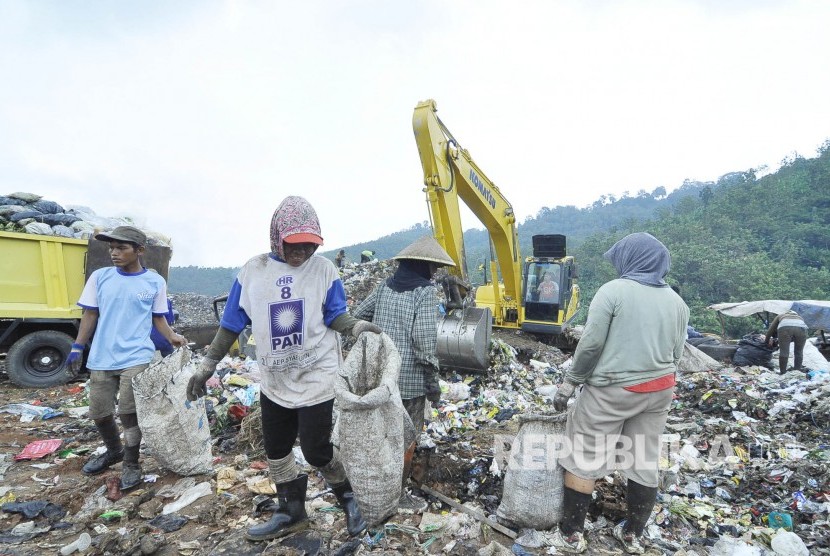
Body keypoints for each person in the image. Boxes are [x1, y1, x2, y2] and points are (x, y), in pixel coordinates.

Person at [185, 196, 381, 541]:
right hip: (275, 378)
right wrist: (207, 365)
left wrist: (356, 327)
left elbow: (335, 315)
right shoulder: (253, 271)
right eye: (294, 244)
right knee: (275, 448)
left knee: (316, 449)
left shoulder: (323, 270)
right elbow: (231, 324)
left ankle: (350, 498)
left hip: (317, 375)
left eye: (309, 245)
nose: (302, 252)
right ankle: (291, 512)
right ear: (277, 237)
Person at [551, 232, 689, 554]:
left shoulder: (613, 291)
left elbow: (591, 343)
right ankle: (632, 534)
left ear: (630, 260)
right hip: (660, 390)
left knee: (584, 454)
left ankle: (571, 535)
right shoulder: (678, 304)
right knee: (643, 456)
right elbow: (678, 354)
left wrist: (571, 381)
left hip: (613, 390)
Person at [67, 226, 187, 490]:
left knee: (129, 413)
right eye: (111, 248)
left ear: (139, 251)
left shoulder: (154, 282)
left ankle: (132, 462)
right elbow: (90, 315)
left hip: (137, 354)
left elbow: (158, 318)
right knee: (99, 413)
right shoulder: (100, 277)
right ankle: (114, 451)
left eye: (121, 247)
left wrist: (171, 336)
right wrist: (78, 346)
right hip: (101, 356)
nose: (114, 253)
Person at [351, 235, 455, 513]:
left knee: (382, 435)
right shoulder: (424, 292)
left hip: (380, 379)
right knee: (406, 439)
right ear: (422, 266)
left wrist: (381, 336)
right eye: (432, 268)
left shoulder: (385, 287)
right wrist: (432, 380)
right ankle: (397, 495)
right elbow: (423, 340)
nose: (434, 274)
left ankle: (372, 488)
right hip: (409, 383)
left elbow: (359, 315)